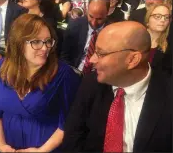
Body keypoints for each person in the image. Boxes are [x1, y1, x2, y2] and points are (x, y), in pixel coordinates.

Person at [62, 21, 172, 152]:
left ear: (132, 60)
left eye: (101, 54)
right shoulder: (92, 83)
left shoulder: (167, 93)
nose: (92, 60)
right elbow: (72, 136)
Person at [0, 14, 81, 152]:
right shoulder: (0, 67)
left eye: (48, 41)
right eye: (36, 42)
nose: (45, 48)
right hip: (3, 143)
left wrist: (42, 151)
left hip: (45, 148)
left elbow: (68, 124)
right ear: (18, 43)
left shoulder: (64, 75)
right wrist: (1, 145)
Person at [60, 0, 110, 75]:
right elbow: (65, 56)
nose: (94, 23)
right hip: (73, 70)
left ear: (107, 13)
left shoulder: (112, 32)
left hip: (97, 75)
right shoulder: (75, 25)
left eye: (99, 19)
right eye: (91, 16)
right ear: (86, 9)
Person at [145, 3, 172, 73]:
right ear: (148, 20)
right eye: (158, 16)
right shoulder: (135, 37)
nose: (163, 20)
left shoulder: (169, 45)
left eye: (166, 17)